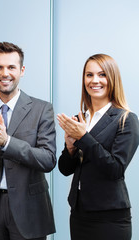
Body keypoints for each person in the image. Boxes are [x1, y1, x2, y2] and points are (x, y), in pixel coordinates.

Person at [0, 42, 56, 240]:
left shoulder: (42, 109)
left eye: (11, 67)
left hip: (29, 209)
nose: (4, 73)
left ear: (22, 70)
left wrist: (7, 143)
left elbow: (48, 159)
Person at [57, 53, 139, 240]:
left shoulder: (126, 119)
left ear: (113, 79)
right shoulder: (80, 119)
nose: (95, 80)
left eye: (102, 75)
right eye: (89, 75)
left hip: (109, 219)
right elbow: (65, 169)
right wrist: (70, 148)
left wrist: (83, 137)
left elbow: (115, 169)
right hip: (79, 215)